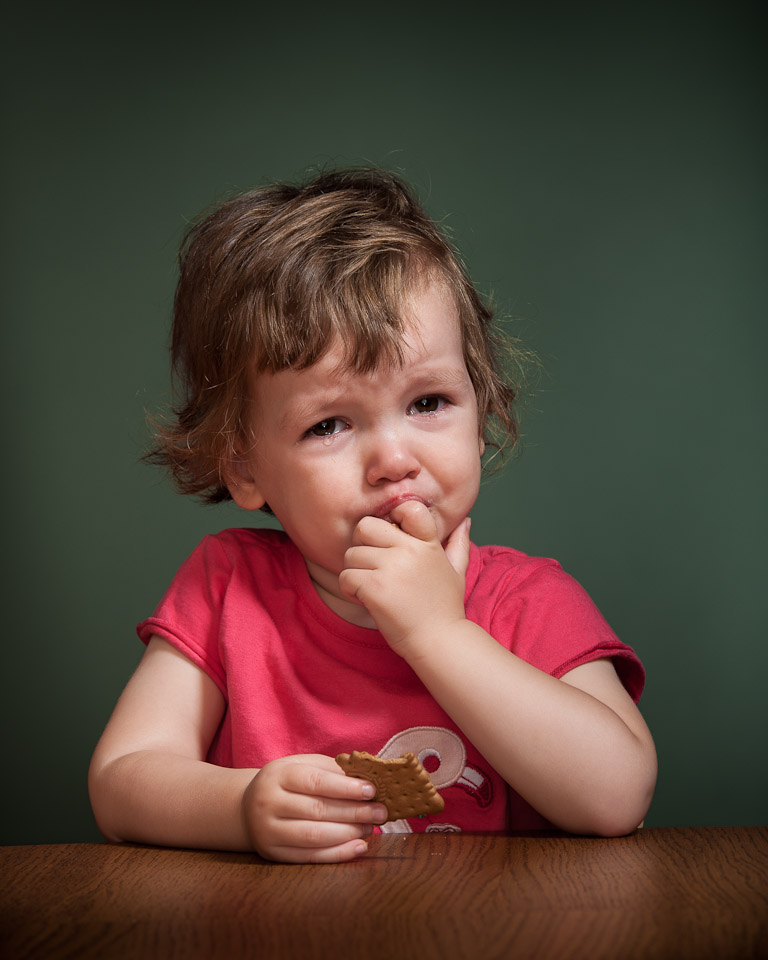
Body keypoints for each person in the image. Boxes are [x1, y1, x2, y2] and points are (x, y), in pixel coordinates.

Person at [89, 168, 657, 863]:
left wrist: (440, 634)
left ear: (481, 414)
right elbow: (121, 782)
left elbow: (617, 798)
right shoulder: (227, 587)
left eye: (428, 403)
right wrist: (238, 809)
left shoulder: (527, 602)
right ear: (244, 467)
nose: (394, 457)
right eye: (329, 424)